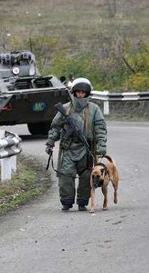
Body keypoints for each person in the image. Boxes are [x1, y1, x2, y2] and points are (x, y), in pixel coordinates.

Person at [45, 77, 107, 211]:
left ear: (87, 93)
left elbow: (100, 128)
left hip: (86, 149)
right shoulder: (65, 109)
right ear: (74, 92)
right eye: (78, 92)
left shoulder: (94, 109)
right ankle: (66, 202)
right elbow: (55, 127)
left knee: (86, 176)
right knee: (66, 175)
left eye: (83, 92)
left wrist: (101, 146)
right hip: (68, 148)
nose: (80, 95)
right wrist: (50, 143)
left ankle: (82, 202)